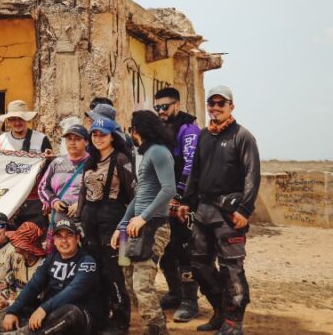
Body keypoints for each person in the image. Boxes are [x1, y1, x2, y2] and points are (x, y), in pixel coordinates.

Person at [178, 86, 260, 335]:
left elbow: (252, 176)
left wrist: (245, 209)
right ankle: (220, 311)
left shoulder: (242, 136)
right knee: (199, 265)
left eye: (220, 104)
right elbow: (195, 172)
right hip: (202, 210)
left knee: (231, 268)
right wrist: (185, 202)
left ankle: (234, 322)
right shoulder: (203, 135)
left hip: (229, 213)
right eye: (211, 104)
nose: (215, 108)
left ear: (231, 107)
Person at [111, 110, 176, 335]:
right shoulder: (145, 154)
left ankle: (157, 330)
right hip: (134, 227)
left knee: (142, 286)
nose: (131, 133)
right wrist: (121, 226)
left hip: (153, 226)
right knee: (129, 284)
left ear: (138, 130)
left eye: (132, 128)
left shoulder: (158, 152)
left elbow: (170, 189)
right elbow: (138, 197)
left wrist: (143, 217)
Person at [0, 219, 102, 335]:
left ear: (77, 238)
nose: (64, 241)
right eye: (59, 236)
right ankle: (9, 328)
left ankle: (21, 333)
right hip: (51, 315)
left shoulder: (87, 262)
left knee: (70, 312)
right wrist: (12, 311)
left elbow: (74, 290)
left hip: (79, 318)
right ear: (54, 240)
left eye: (69, 235)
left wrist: (44, 308)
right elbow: (33, 286)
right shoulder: (51, 258)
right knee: (12, 310)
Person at [77, 117, 136, 335]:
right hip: (90, 219)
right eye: (94, 134)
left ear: (113, 136)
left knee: (114, 271)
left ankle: (121, 320)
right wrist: (78, 222)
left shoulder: (122, 159)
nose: (98, 138)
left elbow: (135, 195)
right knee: (94, 269)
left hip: (114, 219)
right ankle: (100, 315)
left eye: (103, 134)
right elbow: (83, 192)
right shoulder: (89, 161)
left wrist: (125, 226)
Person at [153, 87, 201, 322]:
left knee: (185, 253)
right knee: (167, 253)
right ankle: (174, 293)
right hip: (165, 203)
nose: (161, 111)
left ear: (177, 105)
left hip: (186, 203)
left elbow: (190, 166)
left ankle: (190, 301)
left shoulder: (188, 129)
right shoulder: (163, 130)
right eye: (157, 107)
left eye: (165, 106)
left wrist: (179, 196)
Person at [0, 100, 53, 229]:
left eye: (21, 119)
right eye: (13, 119)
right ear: (8, 121)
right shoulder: (0, 142)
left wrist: (47, 197)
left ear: (27, 120)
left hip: (35, 200)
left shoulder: (41, 139)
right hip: (9, 200)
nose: (17, 123)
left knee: (36, 241)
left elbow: (49, 171)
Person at [38, 124, 89, 254]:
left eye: (77, 139)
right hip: (59, 223)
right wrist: (53, 201)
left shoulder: (93, 163)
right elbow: (43, 187)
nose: (72, 143)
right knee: (56, 260)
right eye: (69, 139)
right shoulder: (57, 163)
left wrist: (81, 203)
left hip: (83, 223)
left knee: (83, 258)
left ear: (86, 142)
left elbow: (100, 191)